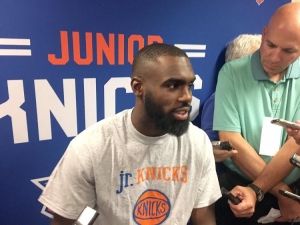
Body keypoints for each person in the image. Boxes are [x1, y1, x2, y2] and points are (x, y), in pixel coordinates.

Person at [38, 43, 221, 225]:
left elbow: (203, 214)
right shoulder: (91, 147)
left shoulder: (198, 142)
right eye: (173, 86)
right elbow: (67, 221)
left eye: (190, 85)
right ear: (138, 87)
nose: (187, 96)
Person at [213, 2, 300, 224]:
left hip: (293, 189)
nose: (274, 57)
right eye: (270, 45)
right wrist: (281, 194)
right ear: (264, 34)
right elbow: (230, 139)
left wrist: (276, 193)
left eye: (288, 51)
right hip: (242, 187)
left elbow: (296, 141)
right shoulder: (231, 73)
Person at [201, 34, 261, 163]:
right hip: (236, 176)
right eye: (257, 60)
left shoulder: (264, 98)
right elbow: (210, 146)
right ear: (237, 63)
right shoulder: (217, 100)